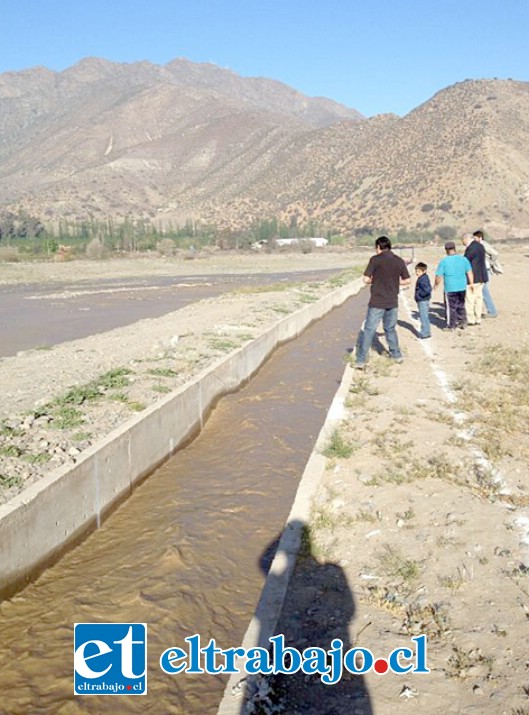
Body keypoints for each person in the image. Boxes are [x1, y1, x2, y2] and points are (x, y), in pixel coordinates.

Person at [355, 236, 410, 369]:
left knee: (369, 330)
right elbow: (407, 280)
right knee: (390, 329)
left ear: (378, 247)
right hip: (392, 301)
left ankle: (361, 360)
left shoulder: (375, 260)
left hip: (377, 301)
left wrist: (377, 280)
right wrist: (393, 282)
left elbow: (365, 279)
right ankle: (396, 355)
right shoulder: (398, 260)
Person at [434, 241, 474, 330]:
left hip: (450, 288)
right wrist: (471, 283)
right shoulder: (463, 259)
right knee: (461, 304)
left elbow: (439, 275)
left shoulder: (444, 261)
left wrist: (436, 284)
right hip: (462, 287)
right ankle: (462, 321)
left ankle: (451, 325)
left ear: (446, 250)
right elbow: (469, 272)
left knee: (450, 307)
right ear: (455, 249)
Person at [473, 229, 500, 317]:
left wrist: (491, 262)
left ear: (480, 237)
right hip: (483, 269)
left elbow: (495, 253)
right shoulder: (479, 245)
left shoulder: (484, 245)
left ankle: (492, 311)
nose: (474, 239)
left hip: (485, 269)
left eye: (475, 238)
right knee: (482, 291)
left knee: (484, 291)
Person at [462, 232, 488, 325]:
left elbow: (465, 262)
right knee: (478, 298)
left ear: (466, 239)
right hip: (481, 276)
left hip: (472, 277)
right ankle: (478, 318)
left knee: (470, 299)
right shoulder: (480, 246)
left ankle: (471, 319)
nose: (463, 243)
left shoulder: (470, 248)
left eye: (463, 241)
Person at [414, 262, 432, 339]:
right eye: (416, 271)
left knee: (423, 316)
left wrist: (419, 295)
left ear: (424, 271)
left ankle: (425, 333)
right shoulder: (423, 278)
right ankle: (427, 331)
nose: (416, 273)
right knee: (424, 316)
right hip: (423, 300)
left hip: (423, 300)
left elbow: (427, 290)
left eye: (418, 271)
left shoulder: (423, 279)